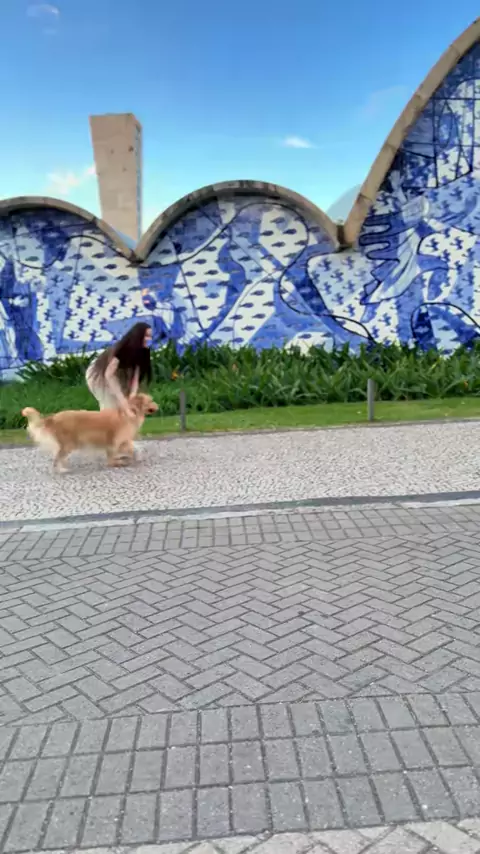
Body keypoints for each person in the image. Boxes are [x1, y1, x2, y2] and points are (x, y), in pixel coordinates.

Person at [86, 322, 153, 416]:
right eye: (146, 336)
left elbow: (136, 378)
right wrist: (122, 400)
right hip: (98, 374)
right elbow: (109, 375)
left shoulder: (142, 352)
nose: (149, 339)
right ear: (138, 336)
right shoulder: (123, 350)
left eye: (150, 336)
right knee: (111, 408)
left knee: (124, 410)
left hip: (117, 375)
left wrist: (132, 395)